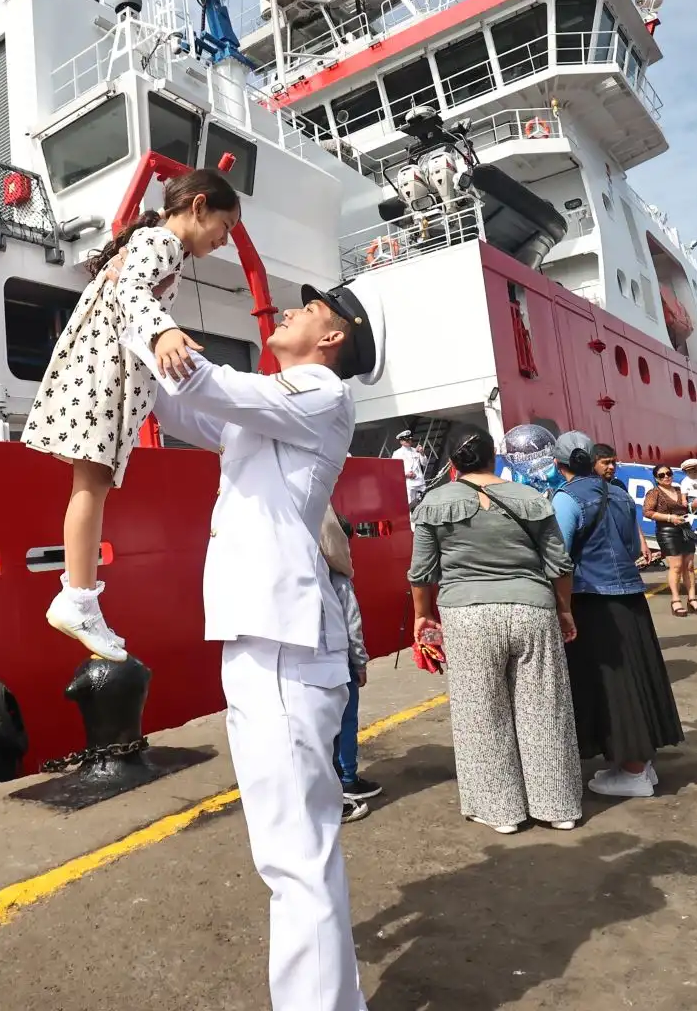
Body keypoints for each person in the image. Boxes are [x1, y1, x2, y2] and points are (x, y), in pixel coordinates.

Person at [132, 276, 386, 1011]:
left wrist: (146, 317)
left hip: (282, 644)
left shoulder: (319, 394)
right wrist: (131, 321)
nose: (288, 312)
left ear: (331, 339)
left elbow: (205, 381)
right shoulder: (274, 413)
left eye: (308, 310)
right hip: (265, 640)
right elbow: (180, 400)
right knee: (295, 853)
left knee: (294, 858)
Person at [24, 169, 243, 661]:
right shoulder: (160, 242)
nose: (224, 241)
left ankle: (80, 596)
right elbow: (132, 294)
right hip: (107, 370)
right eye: (224, 227)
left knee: (91, 484)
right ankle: (78, 597)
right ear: (199, 206)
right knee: (92, 484)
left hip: (113, 367)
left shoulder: (157, 245)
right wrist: (163, 331)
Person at [408, 430, 582, 834]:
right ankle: (557, 806)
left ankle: (500, 810)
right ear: (494, 458)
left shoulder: (435, 502)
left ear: (454, 463)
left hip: (467, 615)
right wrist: (565, 610)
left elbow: (421, 572)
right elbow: (560, 564)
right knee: (545, 708)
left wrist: (422, 616)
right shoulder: (531, 498)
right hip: (531, 608)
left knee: (480, 712)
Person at [551, 439, 683, 799]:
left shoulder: (566, 497)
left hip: (591, 598)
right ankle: (642, 762)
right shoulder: (621, 495)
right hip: (630, 596)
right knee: (639, 675)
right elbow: (628, 545)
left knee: (611, 683)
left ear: (558, 462)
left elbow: (558, 555)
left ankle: (632, 771)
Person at [320, 504, 381, 823]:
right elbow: (352, 623)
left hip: (314, 662)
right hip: (340, 661)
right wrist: (360, 662)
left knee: (324, 726)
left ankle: (332, 778)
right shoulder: (341, 579)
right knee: (346, 722)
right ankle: (348, 778)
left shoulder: (310, 574)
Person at [643, 464, 697, 616]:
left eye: (668, 473)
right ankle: (675, 600)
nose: (666, 477)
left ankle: (692, 599)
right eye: (662, 475)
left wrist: (692, 507)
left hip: (684, 529)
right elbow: (648, 512)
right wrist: (670, 518)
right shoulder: (654, 492)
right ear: (656, 478)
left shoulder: (678, 490)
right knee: (676, 567)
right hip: (667, 532)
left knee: (689, 566)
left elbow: (685, 509)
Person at [392, 429, 427, 507]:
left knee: (424, 503)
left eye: (409, 439)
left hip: (420, 482)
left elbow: (424, 463)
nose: (408, 441)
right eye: (406, 440)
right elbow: (394, 470)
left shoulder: (416, 450)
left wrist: (422, 453)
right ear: (401, 441)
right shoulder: (397, 453)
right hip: (409, 483)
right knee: (411, 505)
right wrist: (406, 474)